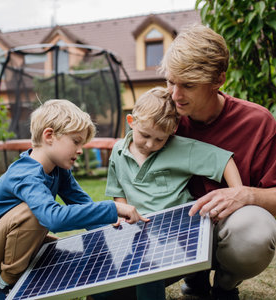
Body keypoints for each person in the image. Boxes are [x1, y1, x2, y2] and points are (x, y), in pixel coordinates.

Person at [159, 24, 276, 299]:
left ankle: (225, 286)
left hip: (230, 228)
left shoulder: (257, 122)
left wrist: (244, 194)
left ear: (218, 80)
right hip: (174, 230)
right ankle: (194, 276)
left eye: (187, 85)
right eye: (170, 82)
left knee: (255, 232)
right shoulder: (161, 117)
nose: (174, 95)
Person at [0, 99, 149, 300]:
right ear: (49, 136)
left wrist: (116, 236)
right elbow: (53, 219)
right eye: (76, 141)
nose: (80, 150)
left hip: (15, 244)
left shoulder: (59, 170)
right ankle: (6, 283)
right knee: (35, 213)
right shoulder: (26, 174)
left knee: (66, 254)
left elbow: (82, 204)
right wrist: (112, 208)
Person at [99, 86, 243, 300]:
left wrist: (238, 193)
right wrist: (123, 226)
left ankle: (195, 273)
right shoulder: (118, 152)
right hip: (139, 230)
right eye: (145, 135)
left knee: (148, 270)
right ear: (131, 122)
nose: (150, 144)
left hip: (177, 232)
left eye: (159, 140)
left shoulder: (180, 149)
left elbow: (222, 161)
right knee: (109, 290)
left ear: (173, 130)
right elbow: (118, 190)